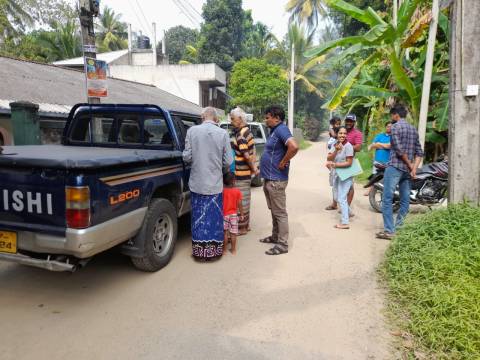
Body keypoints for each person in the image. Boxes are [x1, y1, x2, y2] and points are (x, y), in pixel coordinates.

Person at [182, 107, 233, 260]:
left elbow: (187, 157)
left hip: (197, 183)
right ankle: (214, 253)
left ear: (202, 117)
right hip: (215, 184)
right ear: (216, 119)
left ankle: (199, 254)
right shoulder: (223, 133)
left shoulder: (192, 131)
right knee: (214, 218)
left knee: (198, 218)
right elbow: (228, 161)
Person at [376, 105, 423, 240]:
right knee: (404, 200)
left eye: (392, 115)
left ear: (396, 115)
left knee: (387, 199)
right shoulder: (413, 129)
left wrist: (410, 165)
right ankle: (399, 228)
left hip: (395, 167)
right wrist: (413, 168)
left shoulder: (395, 127)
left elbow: (399, 150)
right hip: (407, 172)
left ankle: (389, 231)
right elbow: (419, 152)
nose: (391, 118)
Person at [259, 105, 299, 255]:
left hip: (276, 179)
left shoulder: (281, 129)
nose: (265, 120)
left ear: (276, 118)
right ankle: (275, 236)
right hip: (270, 178)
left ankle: (282, 245)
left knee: (280, 212)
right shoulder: (274, 131)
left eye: (267, 117)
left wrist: (283, 162)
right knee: (274, 210)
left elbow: (294, 147)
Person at [230, 107, 259, 235]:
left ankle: (241, 228)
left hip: (241, 173)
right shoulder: (248, 131)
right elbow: (253, 151)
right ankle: (245, 226)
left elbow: (246, 155)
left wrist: (254, 169)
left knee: (240, 201)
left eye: (232, 118)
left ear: (240, 119)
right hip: (246, 173)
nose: (231, 121)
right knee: (246, 199)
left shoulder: (240, 134)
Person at [326, 127, 354, 229]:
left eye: (344, 133)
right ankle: (349, 212)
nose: (342, 135)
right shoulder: (336, 144)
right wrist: (336, 151)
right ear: (337, 134)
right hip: (338, 174)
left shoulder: (348, 146)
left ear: (347, 135)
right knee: (337, 197)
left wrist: (335, 165)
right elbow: (329, 158)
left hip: (346, 174)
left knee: (342, 197)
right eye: (340, 133)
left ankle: (345, 222)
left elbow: (349, 163)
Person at [365, 122, 392, 195]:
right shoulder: (379, 136)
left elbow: (389, 146)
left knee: (386, 177)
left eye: (391, 127)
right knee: (375, 175)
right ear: (385, 127)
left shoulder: (393, 137)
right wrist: (384, 146)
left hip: (388, 161)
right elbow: (372, 146)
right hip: (377, 160)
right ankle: (370, 190)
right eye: (388, 126)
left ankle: (382, 191)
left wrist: (379, 144)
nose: (389, 128)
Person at [345, 113, 363, 212]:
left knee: (350, 185)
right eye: (347, 120)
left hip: (350, 161)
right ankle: (337, 204)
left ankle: (347, 207)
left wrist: (345, 147)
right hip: (339, 161)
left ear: (354, 122)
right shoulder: (342, 131)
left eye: (351, 121)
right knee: (338, 184)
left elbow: (358, 147)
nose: (348, 123)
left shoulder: (357, 133)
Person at [222, 172, 244, 255]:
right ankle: (233, 250)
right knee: (233, 233)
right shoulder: (237, 191)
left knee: (225, 233)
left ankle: (224, 250)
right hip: (234, 215)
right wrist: (242, 214)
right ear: (234, 181)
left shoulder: (223, 191)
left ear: (224, 182)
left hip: (224, 214)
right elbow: (240, 204)